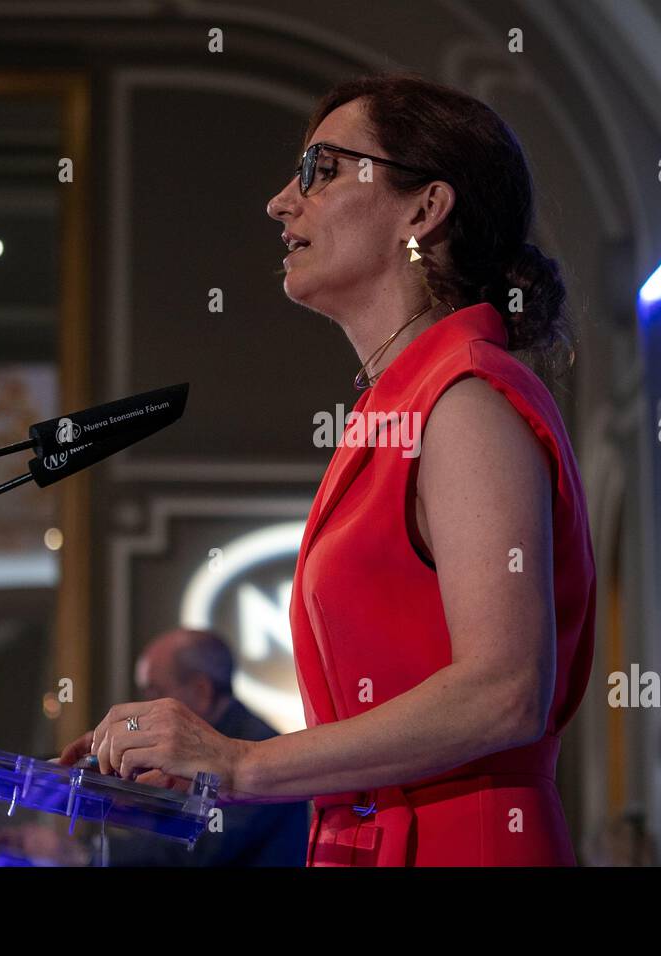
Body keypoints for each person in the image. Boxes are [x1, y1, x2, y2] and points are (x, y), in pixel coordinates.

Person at [66, 71, 597, 866]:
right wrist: (202, 772)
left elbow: (504, 691)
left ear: (424, 208)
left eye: (322, 169)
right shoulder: (399, 407)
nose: (282, 201)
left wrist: (240, 761)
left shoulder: (467, 401)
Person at [59, 629, 308, 866]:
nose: (145, 705)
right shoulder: (207, 748)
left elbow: (200, 849)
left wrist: (83, 853)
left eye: (154, 691)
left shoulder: (260, 748)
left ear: (201, 691)